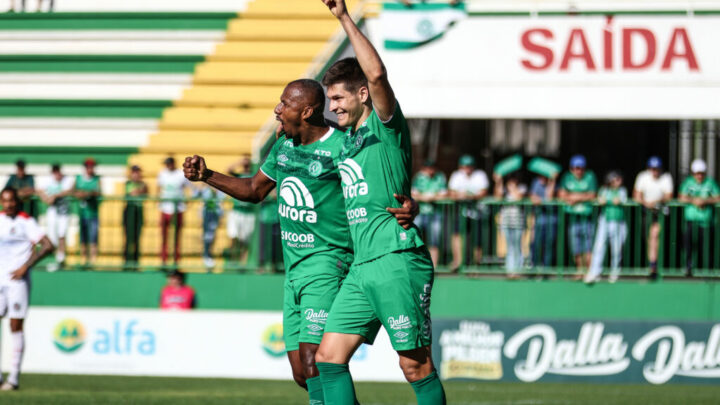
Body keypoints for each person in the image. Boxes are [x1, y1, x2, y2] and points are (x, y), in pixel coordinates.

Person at [183, 79, 418, 405]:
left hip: (329, 261)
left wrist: (408, 202)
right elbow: (254, 190)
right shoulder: (283, 146)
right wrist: (207, 175)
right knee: (301, 372)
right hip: (293, 269)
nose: (277, 110)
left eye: (284, 103)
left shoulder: (343, 144)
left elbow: (379, 173)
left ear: (307, 111)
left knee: (315, 361)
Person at [315, 1, 446, 403]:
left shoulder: (383, 127)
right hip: (362, 266)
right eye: (328, 100)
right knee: (328, 358)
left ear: (361, 95)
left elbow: (376, 73)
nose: (332, 106)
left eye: (339, 98)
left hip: (397, 259)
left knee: (414, 366)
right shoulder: (344, 143)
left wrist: (343, 18)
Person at [0, 187, 54, 390]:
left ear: (17, 201)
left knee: (15, 326)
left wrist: (25, 266)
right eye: (5, 201)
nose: (8, 204)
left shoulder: (26, 221)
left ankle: (13, 378)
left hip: (17, 282)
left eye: (11, 201)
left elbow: (48, 245)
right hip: (0, 279)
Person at [633, 156, 673, 279]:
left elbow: (668, 195)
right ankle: (652, 264)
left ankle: (654, 266)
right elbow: (636, 195)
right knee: (650, 239)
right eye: (652, 168)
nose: (654, 171)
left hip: (660, 212)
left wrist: (656, 202)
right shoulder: (643, 177)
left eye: (657, 169)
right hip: (647, 212)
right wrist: (646, 203)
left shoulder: (666, 177)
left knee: (655, 235)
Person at [558, 155, 597, 279]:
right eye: (575, 168)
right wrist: (581, 196)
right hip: (573, 218)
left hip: (587, 217)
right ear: (571, 168)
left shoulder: (590, 177)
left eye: (580, 168)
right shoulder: (566, 177)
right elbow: (562, 194)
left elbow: (592, 195)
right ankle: (580, 270)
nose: (578, 171)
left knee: (588, 245)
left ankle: (588, 271)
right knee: (576, 246)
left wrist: (574, 197)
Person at [448, 154, 489, 271]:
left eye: (469, 166)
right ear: (461, 167)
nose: (467, 169)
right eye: (465, 166)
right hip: (461, 212)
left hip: (478, 212)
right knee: (457, 235)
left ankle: (476, 264)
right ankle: (458, 262)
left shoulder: (480, 175)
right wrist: (462, 196)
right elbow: (451, 193)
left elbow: (483, 192)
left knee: (477, 239)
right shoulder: (456, 175)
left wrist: (469, 196)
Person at [678, 159, 720, 276]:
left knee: (706, 246)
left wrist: (705, 201)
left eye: (701, 173)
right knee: (688, 244)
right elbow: (681, 197)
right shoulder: (688, 182)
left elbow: (718, 197)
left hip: (706, 221)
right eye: (697, 173)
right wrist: (694, 200)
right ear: (693, 173)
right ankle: (688, 267)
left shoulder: (710, 183)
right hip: (691, 220)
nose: (699, 176)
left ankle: (707, 269)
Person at [586, 171, 628, 284]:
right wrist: (609, 201)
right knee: (599, 246)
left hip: (618, 222)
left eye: (619, 179)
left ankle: (615, 272)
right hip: (605, 221)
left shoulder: (622, 191)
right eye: (615, 179)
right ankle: (594, 272)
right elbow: (601, 200)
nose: (618, 182)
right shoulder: (604, 190)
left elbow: (619, 200)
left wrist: (608, 201)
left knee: (616, 249)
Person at [37, 163, 73, 271]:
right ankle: (54, 258)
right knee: (52, 235)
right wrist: (45, 197)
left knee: (62, 234)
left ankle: (61, 259)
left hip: (63, 211)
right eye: (55, 172)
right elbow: (39, 190)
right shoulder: (48, 181)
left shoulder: (66, 180)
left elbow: (69, 190)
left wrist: (55, 196)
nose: (57, 174)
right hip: (52, 211)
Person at [411, 160, 447, 267]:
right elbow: (413, 194)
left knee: (434, 239)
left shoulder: (440, 177)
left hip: (435, 213)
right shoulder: (418, 177)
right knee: (415, 236)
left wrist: (430, 197)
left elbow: (444, 194)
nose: (430, 170)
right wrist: (426, 197)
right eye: (427, 168)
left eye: (432, 168)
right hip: (420, 213)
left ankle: (434, 265)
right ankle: (416, 262)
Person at [157, 156, 191, 266]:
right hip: (165, 208)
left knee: (176, 236)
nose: (167, 166)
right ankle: (164, 259)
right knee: (164, 236)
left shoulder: (180, 174)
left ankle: (176, 259)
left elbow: (189, 187)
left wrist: (186, 201)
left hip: (178, 208)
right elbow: (159, 188)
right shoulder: (162, 174)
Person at [494, 172, 526, 278]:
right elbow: (497, 197)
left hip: (518, 222)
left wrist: (512, 188)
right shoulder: (504, 189)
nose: (512, 181)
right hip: (506, 222)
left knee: (517, 246)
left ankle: (518, 270)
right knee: (509, 247)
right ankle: (510, 270)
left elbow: (518, 198)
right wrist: (499, 182)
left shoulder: (522, 187)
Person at [226, 156, 256, 264]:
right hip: (237, 211)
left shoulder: (254, 175)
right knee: (233, 237)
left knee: (245, 241)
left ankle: (243, 262)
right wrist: (239, 163)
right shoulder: (239, 175)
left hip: (248, 212)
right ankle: (233, 260)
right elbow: (228, 170)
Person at [73, 158, 101, 266]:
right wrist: (78, 194)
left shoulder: (97, 179)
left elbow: (97, 192)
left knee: (93, 237)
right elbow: (73, 191)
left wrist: (87, 193)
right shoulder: (78, 178)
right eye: (88, 166)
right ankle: (84, 259)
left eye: (92, 166)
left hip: (93, 213)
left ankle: (93, 261)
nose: (90, 169)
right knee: (83, 238)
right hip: (82, 213)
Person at [529, 174, 558, 268]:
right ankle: (534, 267)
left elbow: (549, 198)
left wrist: (552, 182)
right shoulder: (535, 182)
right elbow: (533, 198)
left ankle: (546, 269)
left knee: (549, 245)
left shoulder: (554, 184)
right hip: (538, 220)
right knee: (535, 244)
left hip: (552, 220)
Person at [193, 184, 224, 269]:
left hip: (215, 215)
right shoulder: (205, 190)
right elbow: (194, 196)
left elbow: (222, 199)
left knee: (212, 235)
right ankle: (206, 255)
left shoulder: (219, 190)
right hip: (206, 215)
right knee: (206, 235)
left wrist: (216, 191)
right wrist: (198, 189)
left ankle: (209, 254)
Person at [123, 165, 148, 268]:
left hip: (138, 211)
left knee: (137, 238)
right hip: (129, 211)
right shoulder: (128, 183)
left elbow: (144, 193)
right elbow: (130, 194)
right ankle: (127, 261)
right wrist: (138, 192)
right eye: (135, 172)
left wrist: (138, 192)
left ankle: (135, 262)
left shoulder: (143, 184)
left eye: (138, 172)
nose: (136, 174)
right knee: (128, 238)